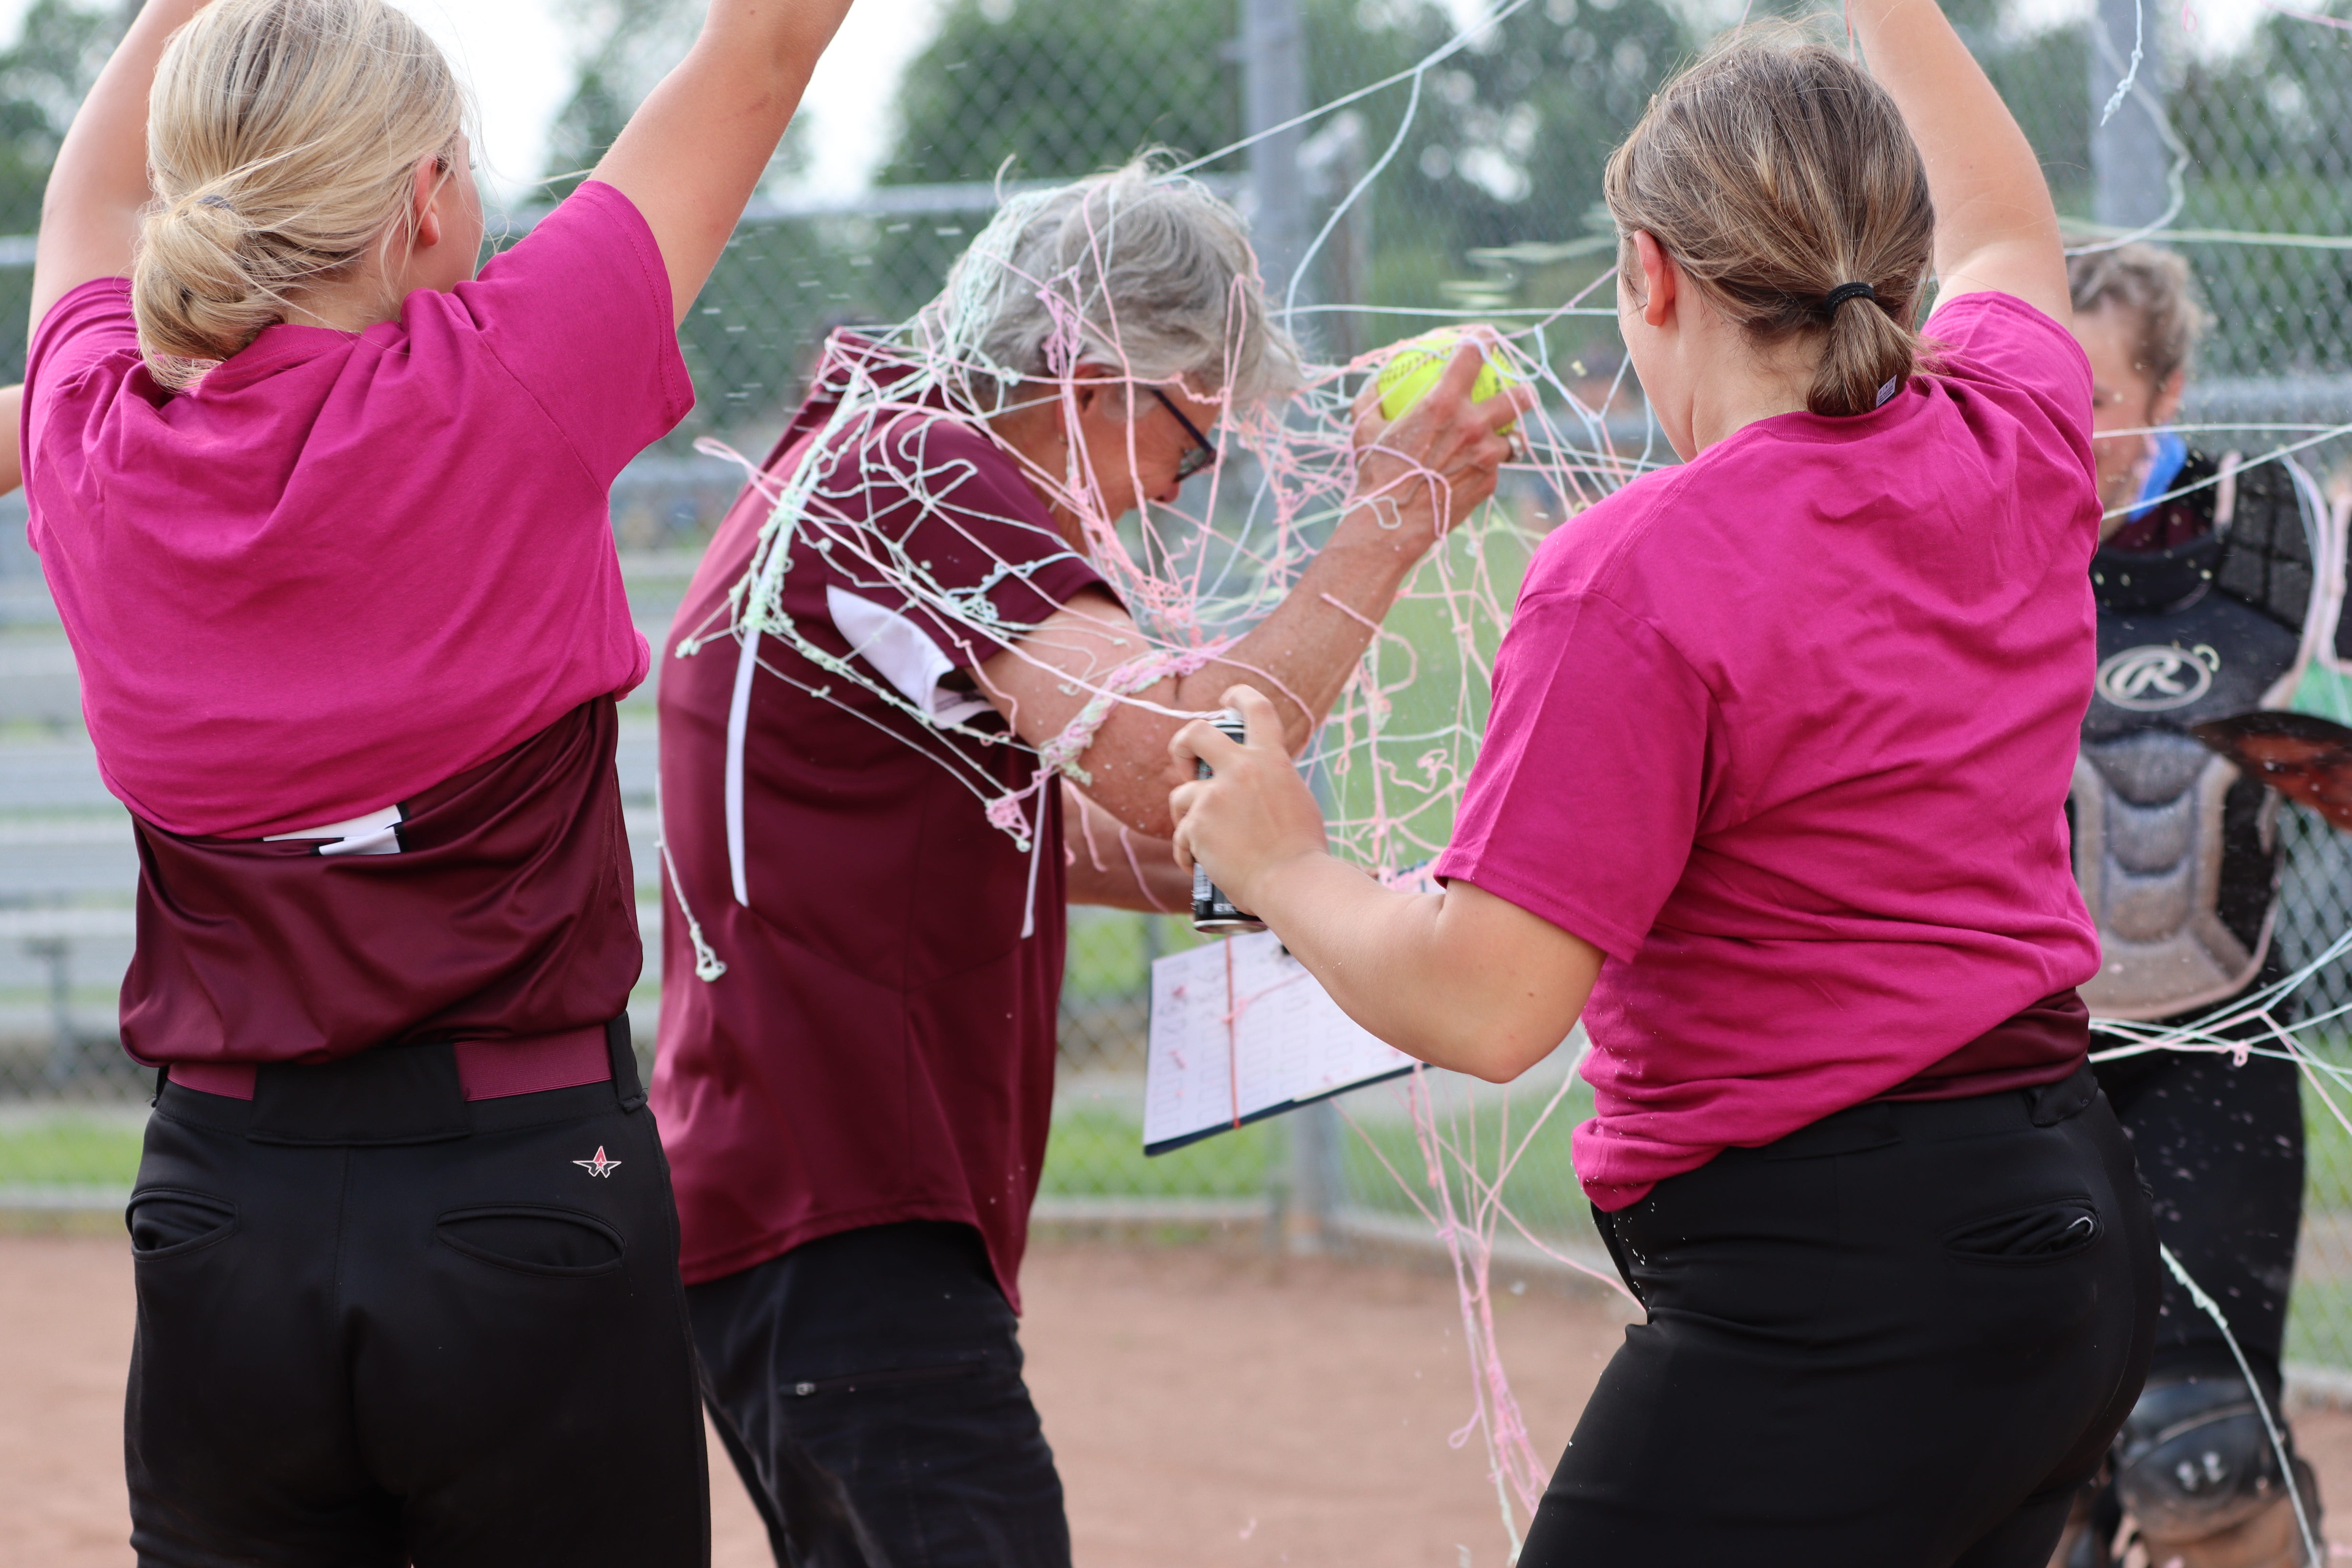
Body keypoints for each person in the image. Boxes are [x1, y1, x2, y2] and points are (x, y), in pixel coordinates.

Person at [1169, 10, 2160, 1566]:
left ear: (1652, 274)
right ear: (1901, 268)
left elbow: (1491, 1007)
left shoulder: (1638, 570)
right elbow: (2009, 226)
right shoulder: (2009, 431)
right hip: (2067, 1243)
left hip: (1840, 1287)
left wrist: (1283, 856)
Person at [23, 0, 851, 1561]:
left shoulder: (87, 431)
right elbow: (766, 49)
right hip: (525, 1189)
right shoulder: (517, 375)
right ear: (421, 201)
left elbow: (88, 194)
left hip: (217, 1212)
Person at [653, 160, 1523, 1565]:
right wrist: (1390, 523)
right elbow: (1182, 744)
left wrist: (1308, 888)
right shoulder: (924, 468)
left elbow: (998, 825)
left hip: (799, 1199)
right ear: (1102, 371)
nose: (1187, 485)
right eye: (1195, 437)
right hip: (846, 1206)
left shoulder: (865, 452)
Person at [2051, 242, 2336, 1568]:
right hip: (2010, 1061)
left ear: (2170, 393)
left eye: (2100, 395)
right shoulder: (1949, 540)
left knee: (2201, 1454)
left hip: (2214, 1052)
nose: (2068, 429)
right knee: (2000, 1465)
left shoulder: (2280, 538)